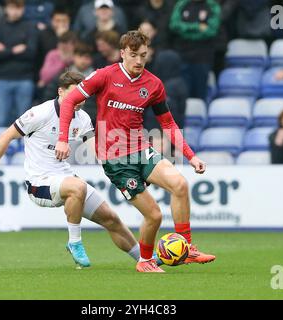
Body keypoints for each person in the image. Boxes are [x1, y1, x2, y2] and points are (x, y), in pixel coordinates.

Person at [55, 30, 216, 273]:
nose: (139, 61)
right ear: (122, 54)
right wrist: (63, 139)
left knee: (180, 185)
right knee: (154, 215)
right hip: (115, 158)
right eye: (133, 55)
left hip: (141, 149)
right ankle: (144, 261)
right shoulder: (104, 75)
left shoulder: (153, 84)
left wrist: (191, 155)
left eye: (143, 55)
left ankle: (188, 247)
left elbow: (168, 124)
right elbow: (68, 101)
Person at [0, 71, 142, 268]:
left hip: (65, 177)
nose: (79, 100)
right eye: (74, 94)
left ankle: (144, 259)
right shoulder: (40, 113)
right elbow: (5, 136)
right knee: (78, 187)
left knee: (112, 219)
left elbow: (95, 148)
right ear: (60, 91)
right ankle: (75, 242)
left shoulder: (83, 118)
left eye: (83, 95)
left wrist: (123, 161)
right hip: (39, 183)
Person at [0, 0, 38, 127]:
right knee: (1, 121)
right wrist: (13, 50)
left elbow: (31, 54)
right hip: (2, 80)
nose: (15, 11)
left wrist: (4, 50)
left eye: (18, 8)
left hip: (25, 80)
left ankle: (23, 148)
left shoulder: (30, 27)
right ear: (6, 9)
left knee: (24, 124)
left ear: (23, 9)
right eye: (12, 8)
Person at [169, 0, 221, 103]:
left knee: (200, 97)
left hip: (203, 59)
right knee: (183, 97)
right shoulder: (182, 4)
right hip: (183, 57)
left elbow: (211, 30)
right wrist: (197, 27)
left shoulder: (212, 6)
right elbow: (174, 25)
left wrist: (186, 30)